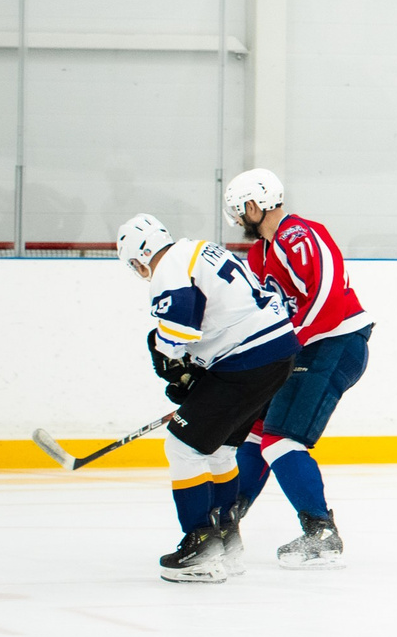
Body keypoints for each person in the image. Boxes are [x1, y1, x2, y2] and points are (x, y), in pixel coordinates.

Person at [117, 213, 301, 583]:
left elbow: (178, 331)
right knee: (220, 450)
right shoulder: (200, 250)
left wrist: (173, 362)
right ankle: (226, 540)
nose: (139, 271)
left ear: (142, 256)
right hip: (276, 352)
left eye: (135, 264)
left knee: (181, 445)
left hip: (248, 358)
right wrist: (196, 374)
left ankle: (200, 544)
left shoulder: (169, 266)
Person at [225, 168, 371, 569]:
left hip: (334, 342)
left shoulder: (298, 235)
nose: (238, 220)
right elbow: (262, 316)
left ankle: (321, 532)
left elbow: (328, 299)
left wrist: (287, 343)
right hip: (304, 349)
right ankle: (226, 520)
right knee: (255, 432)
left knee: (280, 439)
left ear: (253, 206)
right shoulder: (260, 254)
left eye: (239, 211)